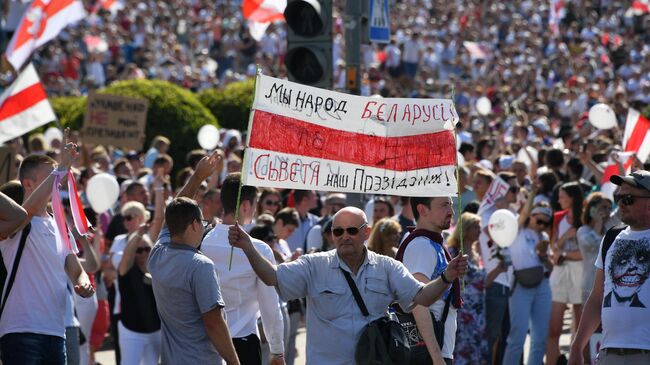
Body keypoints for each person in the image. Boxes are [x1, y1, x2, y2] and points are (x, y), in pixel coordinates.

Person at [228, 206, 469, 364]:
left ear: (366, 232)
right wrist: (248, 248)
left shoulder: (387, 267)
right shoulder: (314, 265)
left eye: (352, 230)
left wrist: (446, 277)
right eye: (338, 231)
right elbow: (273, 277)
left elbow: (422, 297)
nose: (345, 236)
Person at [0, 141, 95, 365]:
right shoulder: (17, 222)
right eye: (51, 176)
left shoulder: (60, 226)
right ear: (28, 183)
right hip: (20, 330)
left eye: (59, 176)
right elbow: (28, 211)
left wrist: (83, 284)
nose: (59, 181)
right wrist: (61, 168)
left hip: (55, 332)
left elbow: (75, 268)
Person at [148, 152, 239, 364]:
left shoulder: (157, 252)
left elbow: (174, 213)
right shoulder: (200, 266)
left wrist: (197, 178)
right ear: (194, 225)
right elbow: (214, 322)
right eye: (203, 222)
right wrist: (235, 362)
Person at [201, 173, 285, 365]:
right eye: (255, 205)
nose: (255, 210)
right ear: (246, 205)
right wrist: (278, 351)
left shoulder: (202, 242)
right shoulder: (260, 249)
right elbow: (270, 305)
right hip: (242, 344)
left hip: (206, 342)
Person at [569, 170, 650, 365]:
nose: (620, 203)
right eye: (619, 197)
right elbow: (597, 297)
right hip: (609, 353)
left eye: (628, 198)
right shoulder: (612, 237)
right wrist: (577, 346)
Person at [397, 196, 465, 365]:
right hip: (428, 354)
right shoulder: (422, 246)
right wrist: (437, 358)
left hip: (436, 350)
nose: (451, 211)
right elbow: (418, 303)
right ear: (422, 210)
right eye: (444, 205)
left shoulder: (431, 243)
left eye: (450, 204)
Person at [503, 197, 554, 365]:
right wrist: (532, 192)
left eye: (545, 223)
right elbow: (522, 213)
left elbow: (550, 266)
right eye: (539, 220)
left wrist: (543, 255)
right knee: (517, 336)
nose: (541, 226)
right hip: (521, 285)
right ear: (531, 216)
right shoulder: (517, 231)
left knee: (540, 338)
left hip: (542, 285)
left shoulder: (544, 236)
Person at [447, 212, 492, 365]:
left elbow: (482, 282)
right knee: (462, 349)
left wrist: (499, 268)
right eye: (476, 227)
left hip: (478, 311)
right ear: (466, 229)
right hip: (462, 310)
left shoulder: (477, 253)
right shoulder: (453, 252)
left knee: (477, 352)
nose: (480, 230)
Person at [547, 182, 585, 365]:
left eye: (563, 196)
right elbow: (553, 249)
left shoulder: (586, 219)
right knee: (554, 329)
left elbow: (586, 254)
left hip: (581, 276)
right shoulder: (558, 217)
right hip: (560, 274)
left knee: (580, 331)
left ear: (573, 198)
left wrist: (564, 254)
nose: (559, 200)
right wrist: (564, 239)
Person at [117, 220, 161, 365]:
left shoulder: (158, 271)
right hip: (131, 332)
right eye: (138, 250)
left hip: (155, 331)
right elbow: (125, 257)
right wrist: (138, 235)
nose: (143, 253)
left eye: (147, 249)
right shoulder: (127, 270)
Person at [577, 193, 612, 303]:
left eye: (609, 208)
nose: (608, 211)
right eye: (603, 207)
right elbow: (591, 245)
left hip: (608, 285)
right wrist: (598, 223)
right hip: (590, 285)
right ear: (592, 210)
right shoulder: (583, 231)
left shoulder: (609, 230)